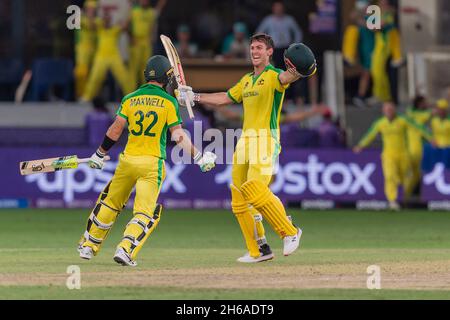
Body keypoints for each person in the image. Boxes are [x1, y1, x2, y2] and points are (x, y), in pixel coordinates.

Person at [176, 34, 317, 263]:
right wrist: (195, 96)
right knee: (239, 197)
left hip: (265, 139)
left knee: (254, 188)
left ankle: (290, 231)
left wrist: (301, 70)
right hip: (244, 141)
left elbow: (289, 76)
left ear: (270, 52)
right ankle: (259, 250)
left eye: (259, 48)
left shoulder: (274, 77)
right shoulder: (247, 80)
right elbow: (224, 98)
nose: (254, 51)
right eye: (252, 48)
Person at [77, 55, 217, 266]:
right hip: (151, 164)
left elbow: (115, 130)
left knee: (111, 203)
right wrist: (199, 157)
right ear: (166, 77)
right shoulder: (169, 102)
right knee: (144, 212)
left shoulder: (130, 98)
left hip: (127, 161)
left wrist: (99, 153)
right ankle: (125, 249)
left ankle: (89, 247)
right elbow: (178, 136)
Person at [353, 102, 433, 210]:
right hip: (388, 154)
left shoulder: (403, 120)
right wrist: (361, 145)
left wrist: (431, 138)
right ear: (383, 111)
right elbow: (370, 135)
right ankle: (392, 200)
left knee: (406, 178)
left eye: (391, 109)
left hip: (404, 154)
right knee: (390, 176)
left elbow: (419, 127)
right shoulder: (380, 123)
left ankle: (404, 198)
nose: (389, 112)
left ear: (394, 110)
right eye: (387, 110)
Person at [81, 12, 133, 102]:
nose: (106, 21)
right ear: (102, 21)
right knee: (95, 78)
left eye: (108, 20)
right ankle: (87, 97)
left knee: (124, 77)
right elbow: (91, 25)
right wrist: (90, 16)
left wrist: (129, 16)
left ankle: (132, 97)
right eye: (104, 20)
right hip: (101, 57)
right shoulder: (99, 29)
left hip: (114, 57)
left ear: (110, 21)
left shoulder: (115, 29)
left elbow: (125, 27)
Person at [128, 0, 167, 88]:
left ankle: (144, 90)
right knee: (133, 70)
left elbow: (159, 7)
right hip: (136, 43)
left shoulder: (151, 12)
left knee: (146, 69)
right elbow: (127, 25)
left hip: (146, 43)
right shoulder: (134, 11)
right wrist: (130, 37)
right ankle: (131, 92)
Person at [256, 1, 302, 69]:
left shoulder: (289, 19)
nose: (278, 10)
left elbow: (298, 32)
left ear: (283, 9)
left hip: (287, 49)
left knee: (288, 69)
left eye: (280, 8)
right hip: (274, 48)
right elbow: (259, 33)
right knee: (275, 68)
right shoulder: (268, 20)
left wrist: (295, 45)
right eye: (276, 8)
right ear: (273, 9)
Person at [405, 96, 432, 194]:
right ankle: (402, 196)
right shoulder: (416, 116)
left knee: (416, 175)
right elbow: (431, 113)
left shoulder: (412, 115)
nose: (426, 104)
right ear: (420, 103)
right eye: (424, 102)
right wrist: (431, 139)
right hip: (412, 150)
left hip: (418, 149)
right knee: (409, 174)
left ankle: (405, 196)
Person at [74, 1, 97, 99]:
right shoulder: (81, 19)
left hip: (93, 49)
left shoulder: (97, 20)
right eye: (89, 9)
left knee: (93, 74)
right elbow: (89, 26)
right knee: (81, 72)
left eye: (93, 10)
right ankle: (80, 94)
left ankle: (90, 95)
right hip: (83, 49)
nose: (91, 11)